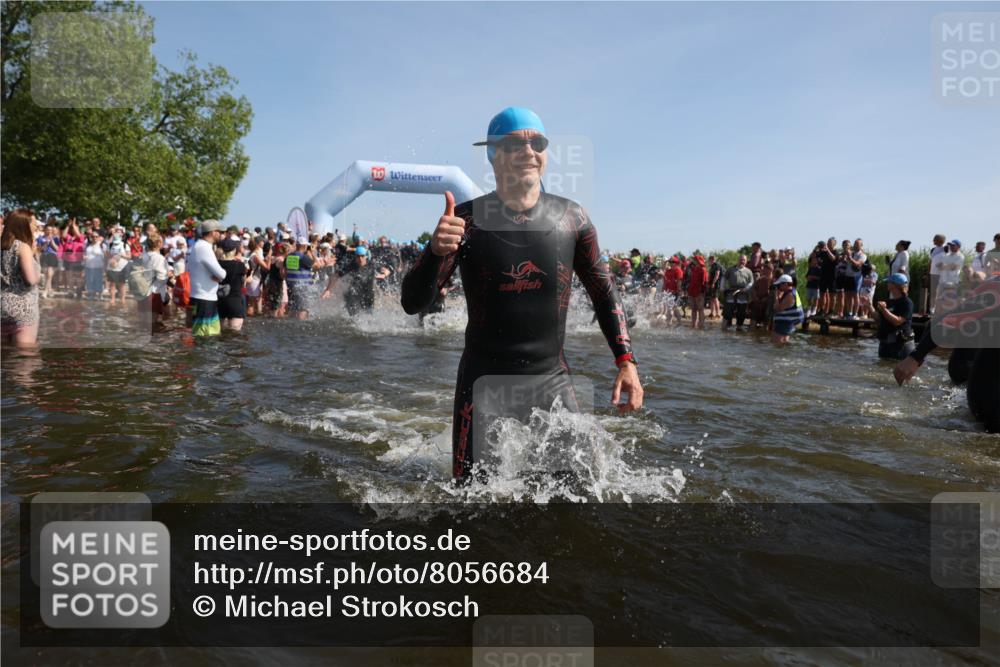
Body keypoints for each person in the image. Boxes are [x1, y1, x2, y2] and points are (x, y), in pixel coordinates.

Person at [400, 107, 641, 482]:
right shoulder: (466, 221)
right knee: (471, 505)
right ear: (493, 155)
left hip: (552, 379)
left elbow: (604, 292)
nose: (529, 151)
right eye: (515, 143)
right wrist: (434, 252)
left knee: (583, 494)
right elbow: (412, 303)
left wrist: (626, 362)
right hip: (482, 383)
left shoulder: (572, 219)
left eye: (538, 142)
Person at [893, 276, 999, 433]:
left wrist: (915, 357)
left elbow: (948, 321)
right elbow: (949, 321)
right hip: (988, 395)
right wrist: (916, 356)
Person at [1, 209, 41, 346]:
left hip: (2, 306)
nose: (36, 227)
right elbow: (30, 279)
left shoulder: (2, 247)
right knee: (24, 358)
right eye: (34, 223)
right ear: (24, 225)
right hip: (23, 308)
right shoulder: (22, 247)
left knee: (5, 358)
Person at [188, 220, 226, 337]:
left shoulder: (198, 245)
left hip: (199, 297)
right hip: (204, 299)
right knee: (205, 337)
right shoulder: (204, 248)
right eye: (219, 232)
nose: (221, 234)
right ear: (213, 232)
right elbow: (222, 274)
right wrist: (219, 275)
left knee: (203, 335)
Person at [874, 273, 914, 359]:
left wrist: (884, 310)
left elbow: (898, 321)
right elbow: (878, 320)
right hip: (886, 344)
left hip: (901, 346)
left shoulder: (907, 303)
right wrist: (869, 306)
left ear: (895, 285)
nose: (887, 284)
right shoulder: (889, 302)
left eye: (889, 282)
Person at [217, 238, 248, 331]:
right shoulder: (240, 265)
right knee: (235, 335)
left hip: (220, 302)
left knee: (221, 334)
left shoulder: (217, 264)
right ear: (234, 250)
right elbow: (244, 282)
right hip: (235, 302)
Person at [285, 236, 316, 320]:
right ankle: (301, 325)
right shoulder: (303, 257)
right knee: (303, 308)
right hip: (302, 287)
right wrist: (312, 253)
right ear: (305, 246)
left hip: (291, 286)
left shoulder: (288, 256)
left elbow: (284, 269)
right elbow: (316, 265)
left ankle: (291, 325)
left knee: (293, 308)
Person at [721, 254, 754, 330]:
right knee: (727, 314)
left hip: (742, 295)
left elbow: (751, 282)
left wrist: (745, 288)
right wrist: (722, 288)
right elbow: (724, 278)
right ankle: (724, 331)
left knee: (741, 315)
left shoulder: (748, 271)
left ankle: (739, 329)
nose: (742, 261)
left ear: (746, 261)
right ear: (738, 260)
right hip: (731, 293)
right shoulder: (730, 269)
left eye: (744, 260)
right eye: (741, 259)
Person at [932, 239, 964, 313]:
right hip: (942, 280)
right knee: (939, 299)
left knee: (950, 300)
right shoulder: (947, 255)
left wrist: (945, 266)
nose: (951, 247)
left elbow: (954, 267)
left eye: (953, 245)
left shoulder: (960, 256)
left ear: (958, 247)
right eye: (950, 245)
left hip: (952, 282)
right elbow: (939, 266)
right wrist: (946, 266)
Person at [771, 274, 803, 344]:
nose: (778, 287)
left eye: (779, 285)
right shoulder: (790, 292)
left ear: (785, 284)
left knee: (775, 343)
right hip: (787, 321)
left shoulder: (790, 295)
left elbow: (778, 308)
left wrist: (776, 296)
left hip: (787, 321)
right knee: (783, 343)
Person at [345, 246, 376, 315]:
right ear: (355, 257)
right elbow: (337, 275)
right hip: (354, 295)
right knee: (352, 316)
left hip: (368, 295)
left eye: (362, 256)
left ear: (366, 256)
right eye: (358, 256)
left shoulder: (371, 266)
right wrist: (328, 290)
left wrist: (385, 273)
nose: (360, 259)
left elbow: (362, 277)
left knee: (369, 316)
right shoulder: (350, 266)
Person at [105, 229, 131, 307]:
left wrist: (122, 255)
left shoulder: (125, 245)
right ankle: (112, 299)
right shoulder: (110, 244)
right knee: (112, 284)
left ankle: (123, 299)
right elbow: (106, 254)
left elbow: (129, 256)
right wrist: (111, 258)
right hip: (112, 267)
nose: (115, 244)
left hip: (122, 267)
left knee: (122, 284)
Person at [843, 238, 866, 319]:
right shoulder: (851, 253)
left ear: (861, 245)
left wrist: (849, 257)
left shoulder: (862, 255)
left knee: (855, 295)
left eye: (857, 244)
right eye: (855, 243)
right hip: (848, 276)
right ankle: (849, 313)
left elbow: (857, 264)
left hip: (856, 277)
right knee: (848, 295)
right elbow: (845, 261)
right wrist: (845, 256)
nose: (855, 245)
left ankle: (855, 314)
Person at [37, 223, 60, 299]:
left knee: (50, 274)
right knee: (47, 275)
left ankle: (45, 292)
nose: (49, 231)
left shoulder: (56, 238)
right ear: (45, 230)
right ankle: (49, 290)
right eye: (48, 229)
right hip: (44, 255)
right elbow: (40, 249)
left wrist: (51, 241)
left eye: (51, 230)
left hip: (52, 255)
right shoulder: (40, 238)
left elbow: (57, 249)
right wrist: (46, 243)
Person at [82, 231, 106, 300]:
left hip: (99, 267)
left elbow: (106, 256)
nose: (94, 238)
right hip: (89, 267)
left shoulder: (102, 245)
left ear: (98, 237)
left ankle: (100, 296)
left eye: (96, 236)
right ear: (91, 237)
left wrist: (105, 268)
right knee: (90, 281)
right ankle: (91, 295)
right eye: (93, 236)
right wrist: (84, 257)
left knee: (99, 281)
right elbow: (84, 254)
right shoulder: (88, 245)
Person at [659, 256, 683, 324]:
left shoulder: (678, 270)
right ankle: (678, 323)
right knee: (673, 309)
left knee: (671, 309)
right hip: (668, 292)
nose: (671, 263)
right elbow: (665, 282)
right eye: (670, 262)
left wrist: (679, 291)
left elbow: (679, 281)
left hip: (675, 292)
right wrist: (663, 290)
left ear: (676, 263)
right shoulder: (668, 271)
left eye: (673, 262)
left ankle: (669, 323)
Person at [927, 233, 947, 314]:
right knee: (933, 292)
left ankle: (942, 309)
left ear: (940, 240)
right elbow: (930, 262)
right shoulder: (933, 249)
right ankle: (932, 309)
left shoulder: (946, 248)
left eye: (935, 239)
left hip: (942, 274)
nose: (933, 241)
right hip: (933, 273)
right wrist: (928, 273)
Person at [687, 255, 708, 329]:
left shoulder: (703, 269)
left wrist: (702, 293)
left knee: (700, 309)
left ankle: (701, 325)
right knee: (693, 309)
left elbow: (705, 282)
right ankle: (693, 325)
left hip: (699, 292)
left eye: (695, 260)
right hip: (692, 291)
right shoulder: (694, 269)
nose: (694, 261)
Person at [706, 255, 723, 319]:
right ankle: (712, 313)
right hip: (712, 284)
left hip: (716, 285)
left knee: (715, 299)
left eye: (710, 260)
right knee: (711, 298)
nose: (709, 261)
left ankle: (718, 314)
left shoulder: (717, 265)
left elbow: (717, 274)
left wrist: (713, 283)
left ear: (712, 259)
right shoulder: (712, 266)